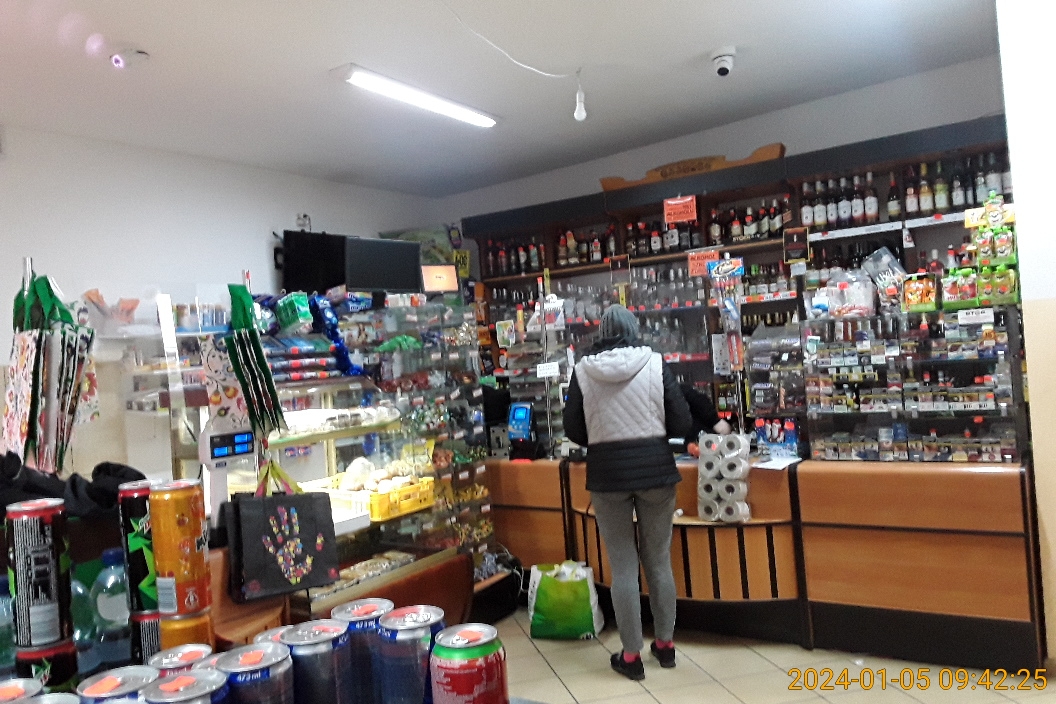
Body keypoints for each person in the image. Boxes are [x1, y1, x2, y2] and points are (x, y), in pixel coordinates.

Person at [562, 305, 692, 681]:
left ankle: (631, 656)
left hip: (608, 475)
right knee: (659, 561)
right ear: (634, 330)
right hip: (656, 471)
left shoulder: (583, 370)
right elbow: (682, 421)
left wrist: (601, 433)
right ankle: (665, 646)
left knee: (623, 567)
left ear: (601, 332)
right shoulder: (654, 362)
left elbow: (573, 429)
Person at [680, 383, 733, 456]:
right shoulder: (682, 391)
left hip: (697, 440)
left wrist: (715, 421)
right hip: (703, 440)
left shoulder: (679, 391)